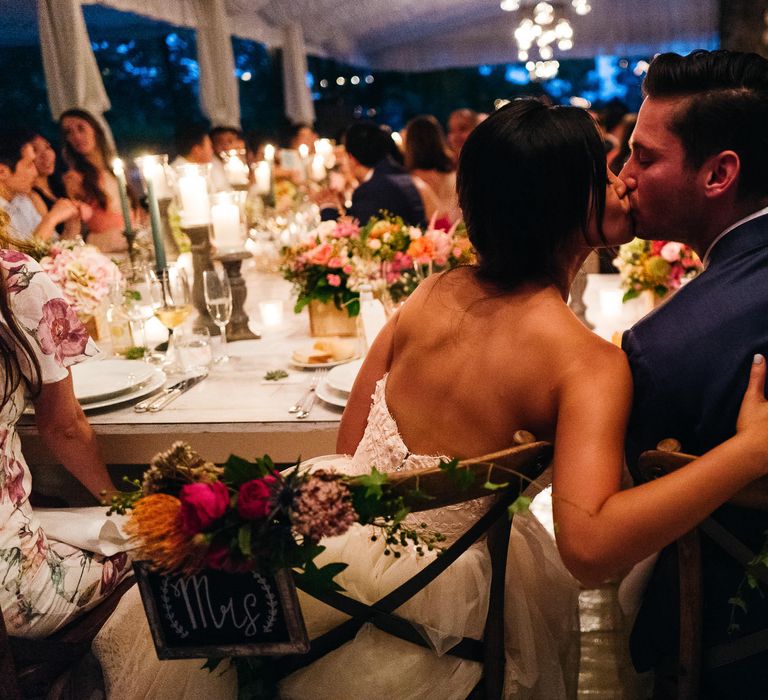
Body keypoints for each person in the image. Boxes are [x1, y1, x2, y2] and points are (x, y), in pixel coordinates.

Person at [92, 99, 768, 700]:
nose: (622, 177)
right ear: (570, 203)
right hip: (442, 619)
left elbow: (349, 448)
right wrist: (747, 452)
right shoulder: (586, 363)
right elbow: (589, 547)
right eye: (606, 166)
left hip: (327, 574)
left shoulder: (429, 292)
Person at [617, 49, 768, 697]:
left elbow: (627, 519)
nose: (624, 175)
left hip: (734, 647)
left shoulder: (663, 347)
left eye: (644, 158)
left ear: (719, 174)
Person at [0, 238, 132, 638]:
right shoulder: (14, 278)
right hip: (15, 595)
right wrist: (122, 507)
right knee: (156, 550)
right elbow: (64, 427)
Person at [318, 122, 425, 226]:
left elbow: (356, 237)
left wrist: (328, 207)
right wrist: (341, 206)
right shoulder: (398, 173)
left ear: (352, 158)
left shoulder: (371, 190)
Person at [60, 109, 131, 254]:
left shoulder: (115, 168)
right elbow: (76, 226)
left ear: (95, 129)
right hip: (108, 251)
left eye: (81, 128)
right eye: (69, 132)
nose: (76, 137)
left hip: (133, 242)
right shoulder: (74, 178)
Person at [0, 129, 83, 242]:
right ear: (2, 172)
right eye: (29, 165)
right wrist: (51, 218)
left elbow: (51, 249)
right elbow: (18, 258)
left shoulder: (22, 201)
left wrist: (71, 225)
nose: (35, 172)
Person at [403, 114, 461, 226]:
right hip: (461, 238)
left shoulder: (411, 182)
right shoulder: (455, 177)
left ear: (410, 145)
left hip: (427, 241)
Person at [209, 125, 244, 191]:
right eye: (219, 142)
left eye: (230, 141)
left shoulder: (241, 164)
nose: (225, 145)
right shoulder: (212, 166)